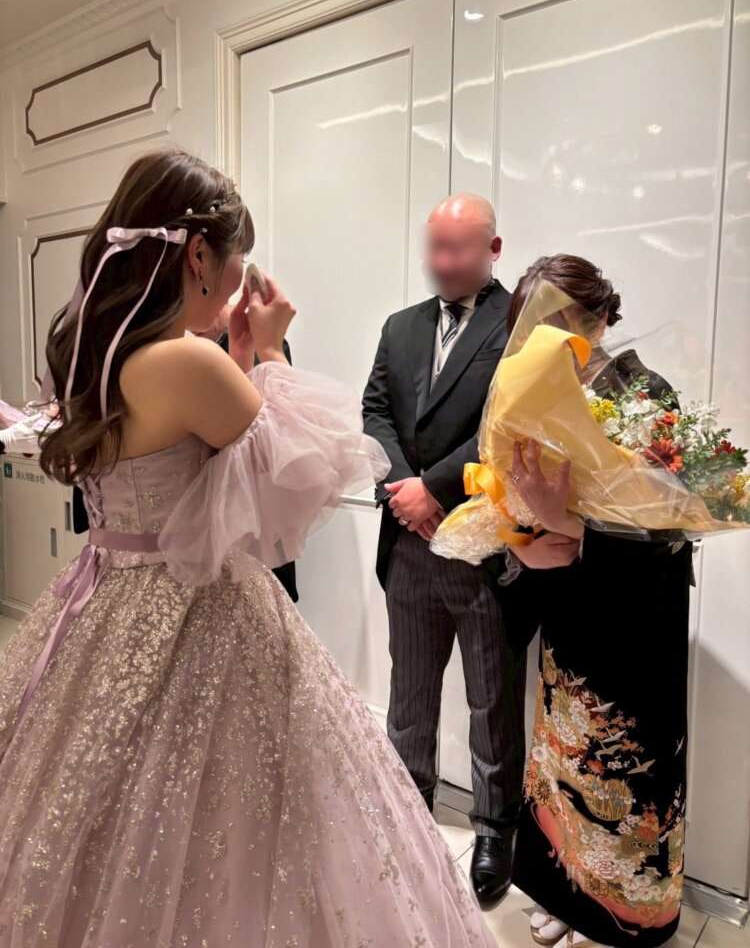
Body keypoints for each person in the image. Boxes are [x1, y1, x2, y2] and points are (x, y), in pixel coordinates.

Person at [0, 150, 497, 947]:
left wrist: (235, 356)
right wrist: (267, 350)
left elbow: (204, 472)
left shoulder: (99, 355)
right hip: (197, 610)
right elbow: (292, 488)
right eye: (236, 260)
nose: (239, 280)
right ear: (198, 255)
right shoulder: (184, 360)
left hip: (103, 600)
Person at [503, 255, 692, 948]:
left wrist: (573, 526)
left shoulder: (646, 395)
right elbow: (506, 499)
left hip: (637, 615)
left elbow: (674, 524)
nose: (546, 340)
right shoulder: (534, 400)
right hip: (570, 607)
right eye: (532, 327)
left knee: (627, 766)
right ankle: (565, 895)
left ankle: (624, 916)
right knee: (564, 758)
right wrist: (522, 545)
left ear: (599, 320)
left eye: (560, 322)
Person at [362, 192, 528, 909]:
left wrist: (433, 489)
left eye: (458, 248)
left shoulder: (518, 324)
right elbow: (374, 411)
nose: (443, 261)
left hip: (480, 545)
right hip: (407, 542)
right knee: (409, 691)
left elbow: (506, 425)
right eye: (435, 246)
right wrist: (404, 489)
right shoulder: (400, 326)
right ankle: (409, 811)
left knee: (492, 698)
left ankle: (495, 830)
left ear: (493, 250)